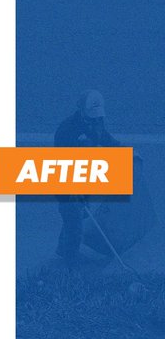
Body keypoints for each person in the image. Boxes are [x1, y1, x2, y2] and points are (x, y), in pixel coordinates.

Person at [53, 90, 120, 261]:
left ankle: (63, 248)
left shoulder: (97, 123)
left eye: (98, 117)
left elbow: (106, 139)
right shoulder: (66, 130)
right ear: (82, 110)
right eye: (92, 117)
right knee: (74, 222)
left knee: (77, 215)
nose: (95, 120)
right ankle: (70, 263)